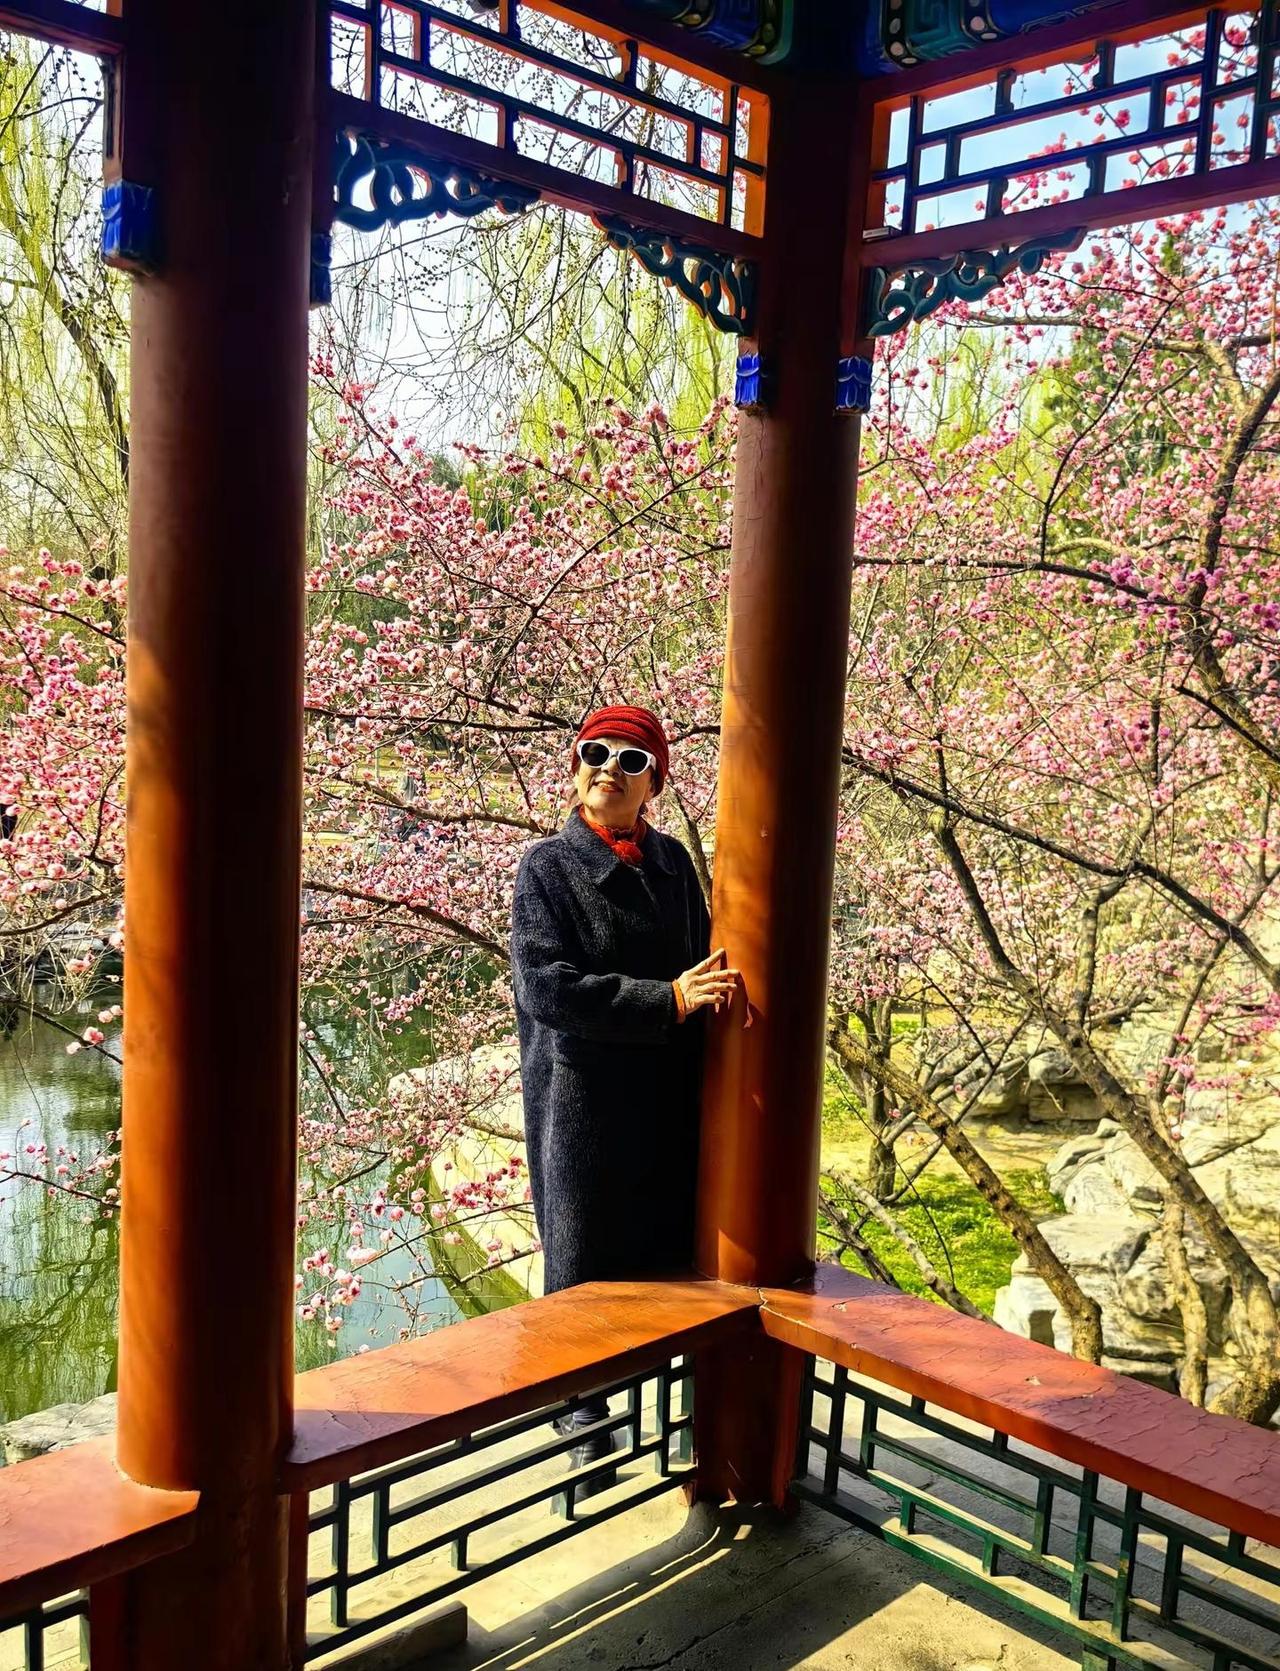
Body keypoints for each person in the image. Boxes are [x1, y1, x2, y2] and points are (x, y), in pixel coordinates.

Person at [510, 704, 737, 1481]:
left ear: (654, 784)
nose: (609, 766)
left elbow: (707, 965)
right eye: (595, 751)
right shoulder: (547, 867)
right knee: (583, 1267)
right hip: (585, 1104)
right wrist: (664, 1000)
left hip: (668, 1098)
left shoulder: (671, 864)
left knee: (669, 1259)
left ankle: (677, 1414)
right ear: (576, 767)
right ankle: (581, 1421)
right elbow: (547, 987)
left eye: (632, 759)